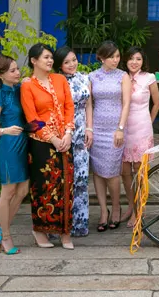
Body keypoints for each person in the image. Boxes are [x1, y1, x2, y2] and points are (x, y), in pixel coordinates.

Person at [20, 43, 75, 249]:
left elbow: (69, 106)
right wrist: (52, 138)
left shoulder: (60, 80)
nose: (50, 61)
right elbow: (32, 119)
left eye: (51, 57)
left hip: (65, 140)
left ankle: (65, 233)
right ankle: (40, 230)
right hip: (42, 144)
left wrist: (68, 133)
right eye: (45, 57)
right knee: (44, 188)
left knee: (66, 186)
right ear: (34, 61)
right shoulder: (28, 85)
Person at [0, 56, 29, 255]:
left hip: (23, 144)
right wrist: (6, 130)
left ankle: (0, 230)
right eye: (12, 70)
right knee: (9, 191)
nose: (17, 72)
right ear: (1, 74)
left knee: (23, 190)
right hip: (8, 145)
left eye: (17, 69)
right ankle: (5, 236)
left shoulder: (20, 90)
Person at [89, 41, 131, 231]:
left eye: (117, 56)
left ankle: (116, 207)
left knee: (113, 173)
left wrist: (120, 128)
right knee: (98, 172)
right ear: (101, 57)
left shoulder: (123, 76)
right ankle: (103, 211)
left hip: (115, 129)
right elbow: (89, 105)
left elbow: (126, 103)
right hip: (96, 129)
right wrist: (89, 129)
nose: (116, 60)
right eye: (112, 57)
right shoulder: (92, 77)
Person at [54, 46, 92, 238]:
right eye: (66, 62)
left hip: (82, 132)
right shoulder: (54, 81)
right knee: (62, 179)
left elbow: (89, 104)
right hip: (63, 133)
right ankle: (60, 224)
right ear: (59, 65)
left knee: (81, 179)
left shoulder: (84, 78)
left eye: (74, 60)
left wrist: (89, 128)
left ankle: (80, 223)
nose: (71, 64)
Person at [122, 46, 159, 228]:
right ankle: (131, 205)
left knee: (140, 171)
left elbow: (157, 103)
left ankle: (140, 211)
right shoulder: (121, 77)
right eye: (131, 58)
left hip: (142, 128)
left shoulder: (149, 77)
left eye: (138, 59)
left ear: (143, 60)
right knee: (124, 170)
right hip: (123, 128)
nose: (134, 62)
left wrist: (149, 122)